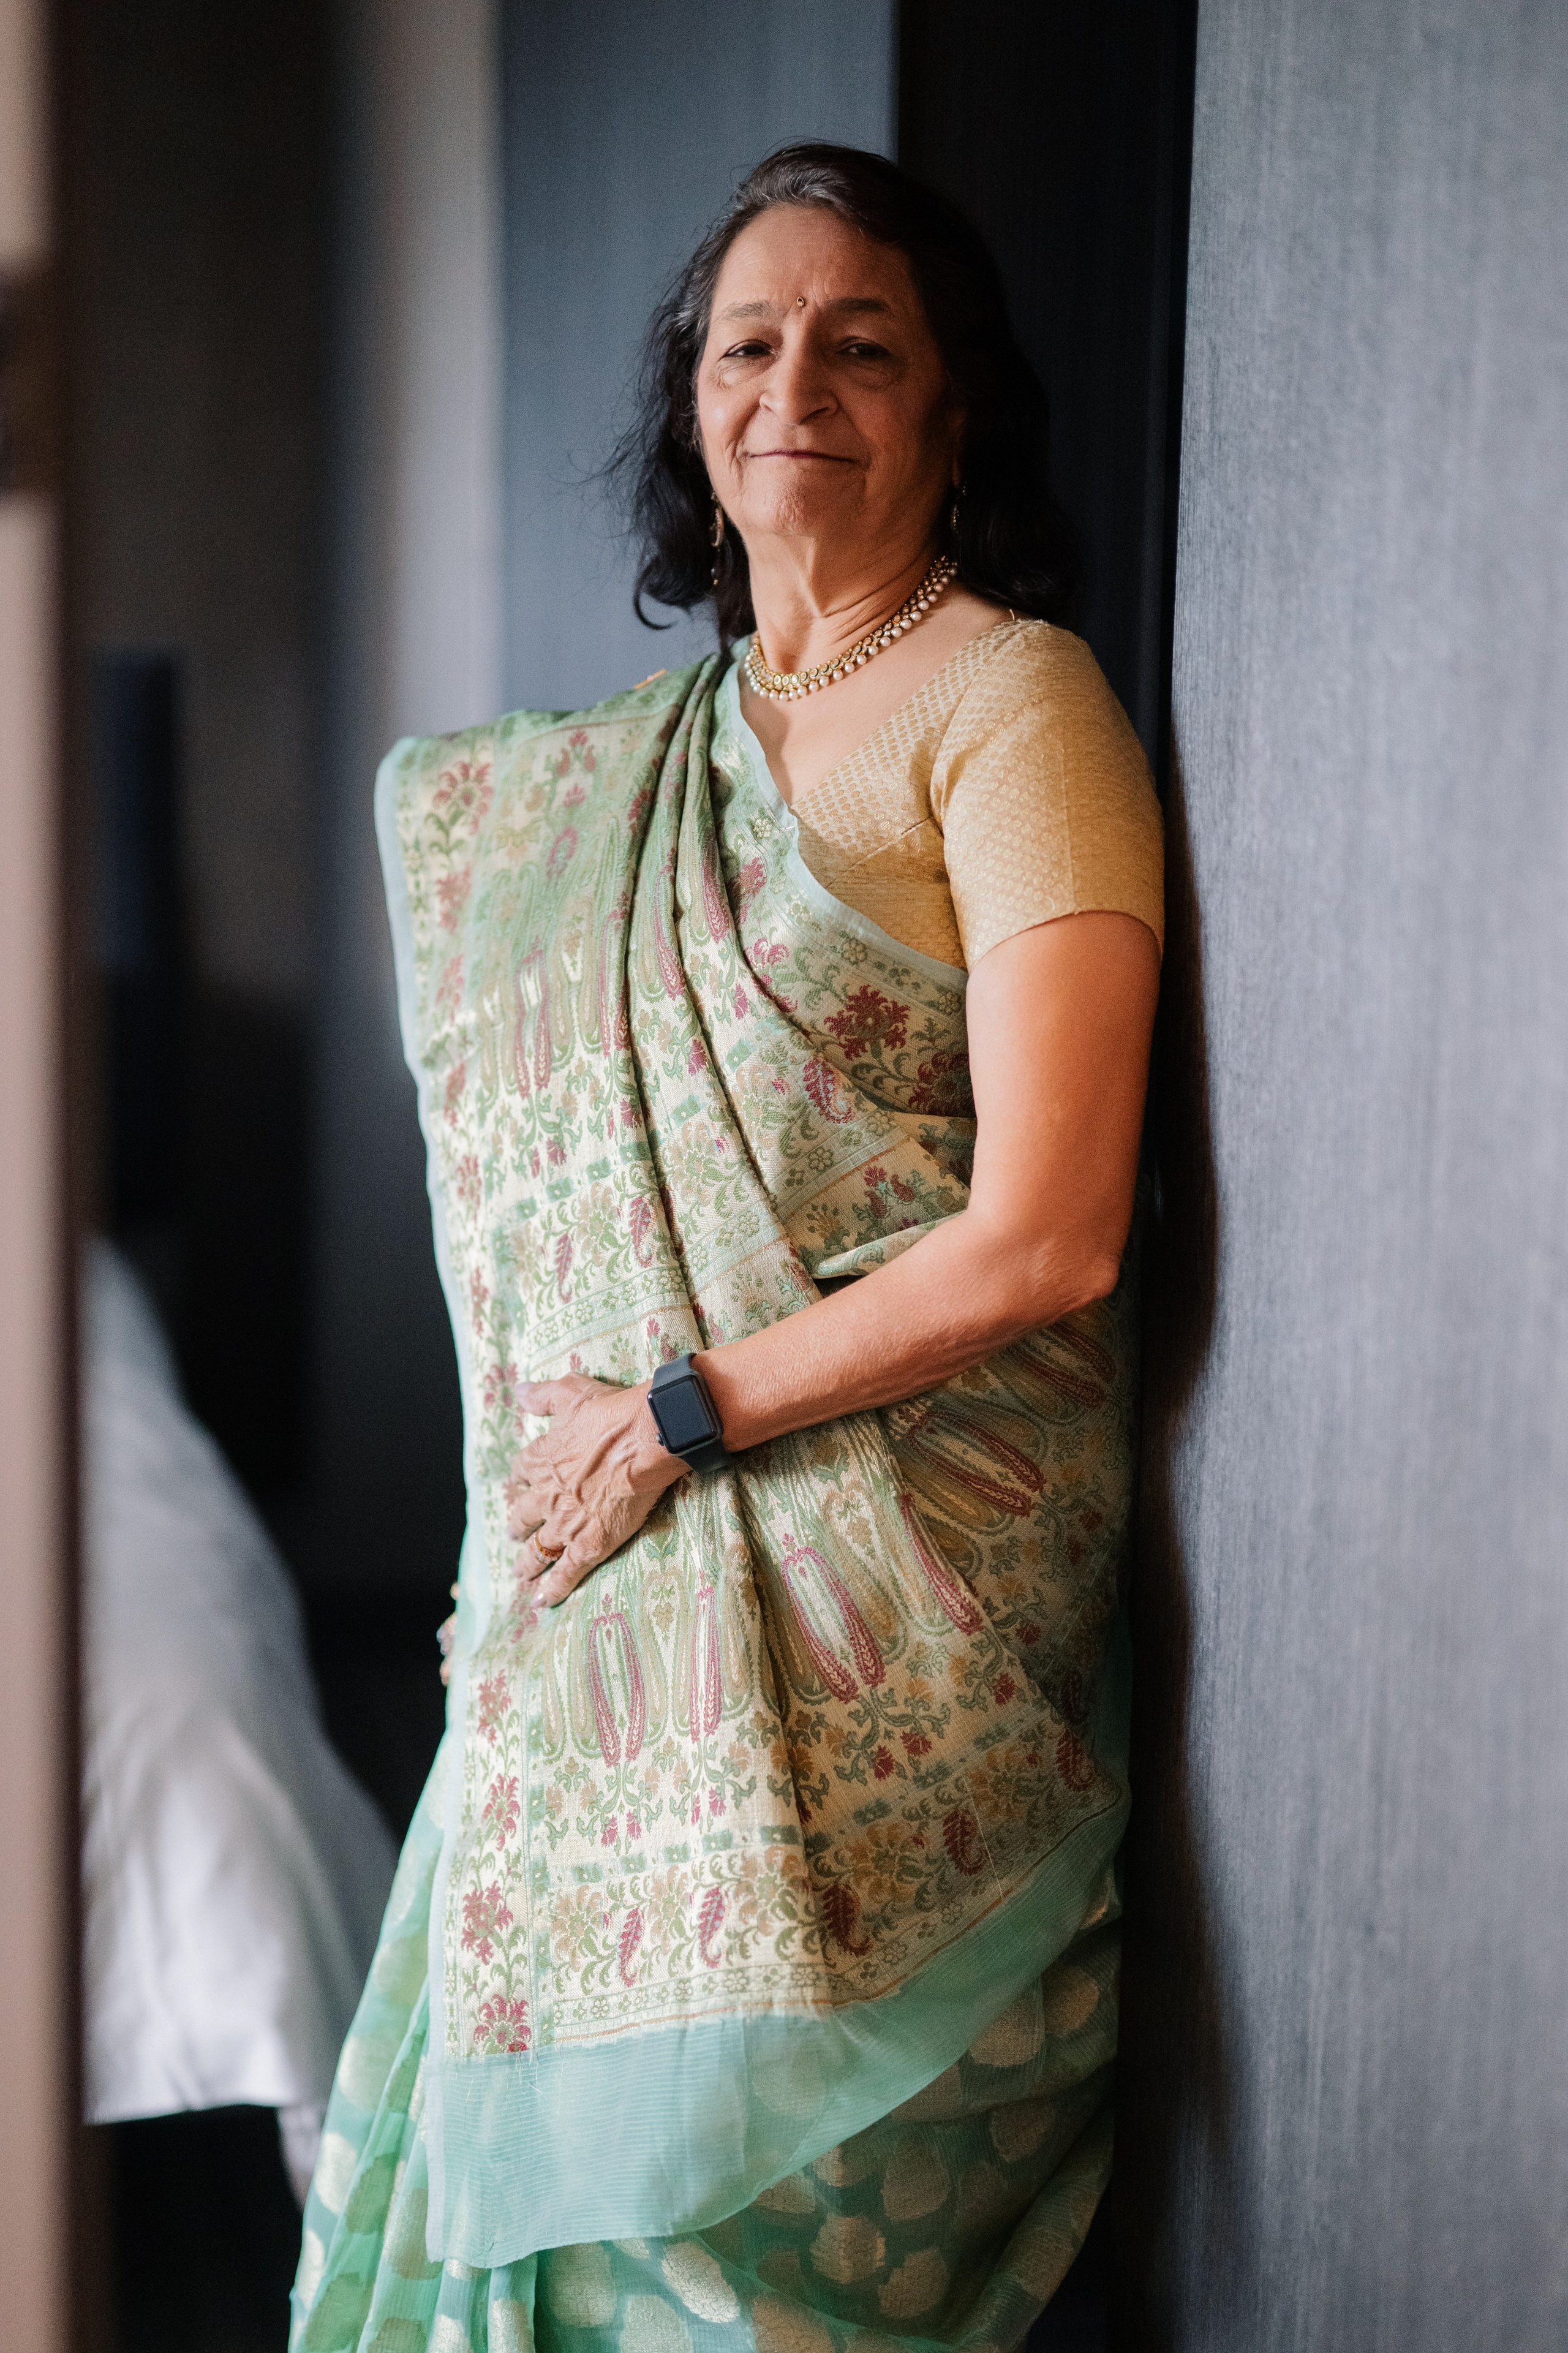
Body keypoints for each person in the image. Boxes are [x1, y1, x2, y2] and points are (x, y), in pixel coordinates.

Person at [292, 143, 1163, 2353]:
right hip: (623, 1559)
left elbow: (1055, 1233)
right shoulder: (632, 772)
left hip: (901, 1582)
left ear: (955, 408)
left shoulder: (1013, 703)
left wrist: (678, 1416)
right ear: (693, 412)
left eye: (864, 345)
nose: (797, 389)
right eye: (748, 346)